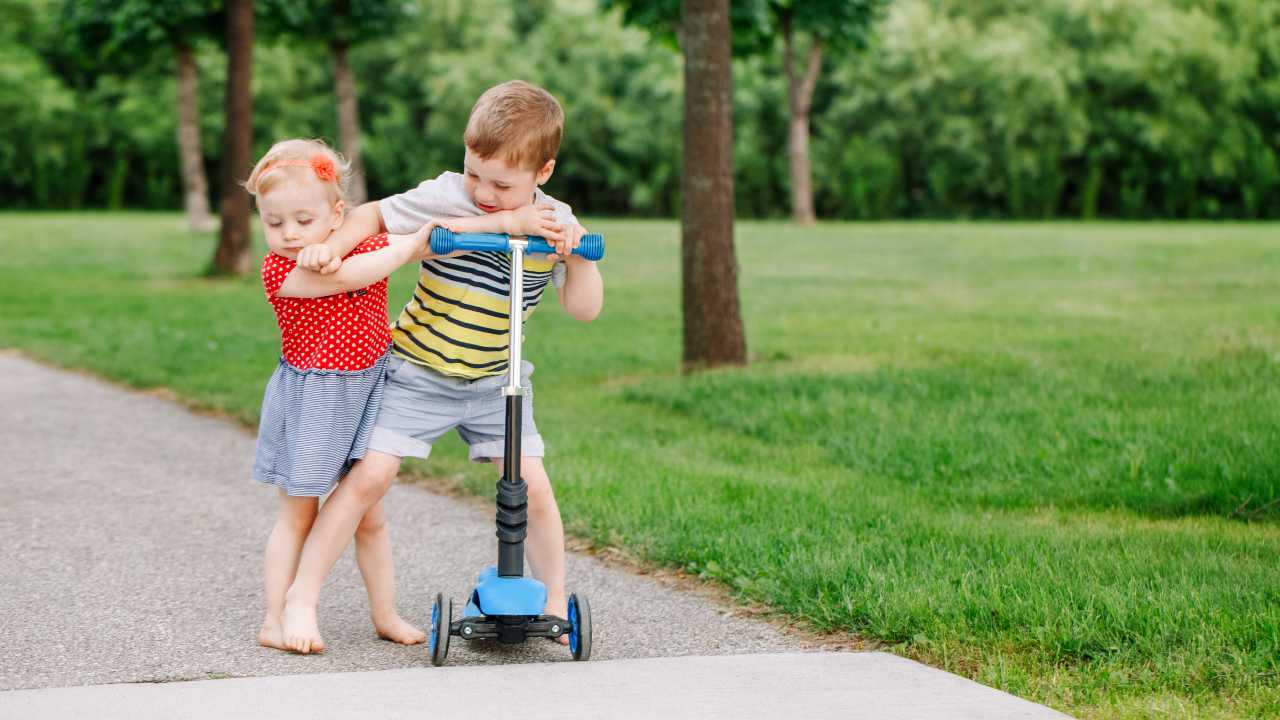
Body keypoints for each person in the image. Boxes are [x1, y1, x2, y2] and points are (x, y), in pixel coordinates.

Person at [286, 80, 603, 649]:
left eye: (501, 184)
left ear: (544, 172)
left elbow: (584, 310)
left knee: (534, 488)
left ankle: (555, 604)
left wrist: (577, 258)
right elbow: (374, 215)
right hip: (418, 371)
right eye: (474, 173)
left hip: (496, 383)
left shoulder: (556, 220)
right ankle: (300, 600)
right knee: (370, 479)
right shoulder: (447, 194)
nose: (481, 191)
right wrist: (334, 247)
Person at [246, 138, 432, 654]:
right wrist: (408, 248)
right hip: (314, 399)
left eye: (303, 220)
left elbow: (385, 242)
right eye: (274, 221)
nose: (287, 233)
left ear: (336, 214)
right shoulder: (279, 270)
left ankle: (385, 613)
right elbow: (353, 276)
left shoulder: (364, 242)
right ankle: (274, 617)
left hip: (370, 389)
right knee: (298, 514)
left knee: (369, 513)